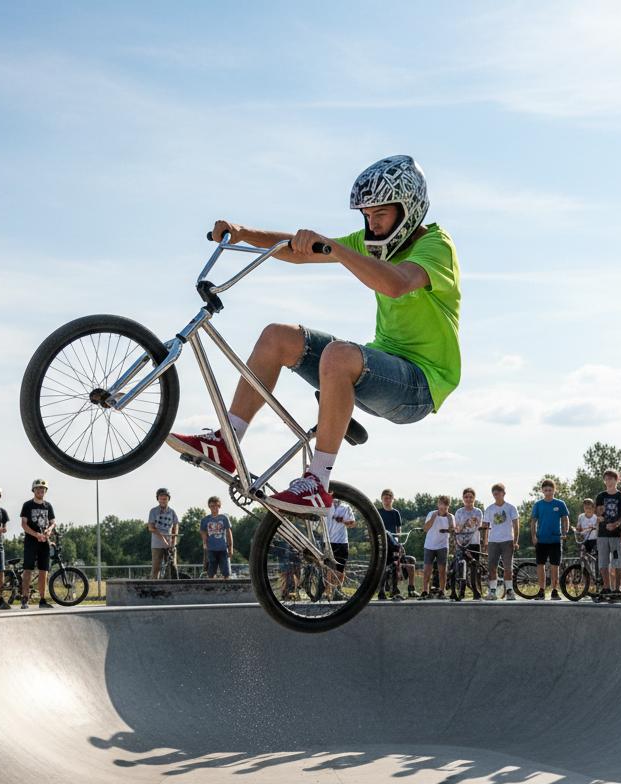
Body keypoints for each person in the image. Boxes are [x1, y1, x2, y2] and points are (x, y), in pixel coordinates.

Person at [167, 154, 460, 516]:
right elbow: (297, 252)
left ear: (408, 209)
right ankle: (227, 442)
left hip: (419, 385)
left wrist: (335, 247)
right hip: (375, 371)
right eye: (367, 216)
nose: (372, 224)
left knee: (339, 354)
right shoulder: (371, 242)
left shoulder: (436, 245)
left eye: (380, 215)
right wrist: (243, 233)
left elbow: (396, 284)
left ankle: (317, 484)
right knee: (277, 336)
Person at [530, 479, 570, 600]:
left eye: (550, 490)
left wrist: (565, 531)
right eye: (546, 490)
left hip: (555, 540)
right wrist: (534, 536)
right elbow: (533, 522)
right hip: (541, 540)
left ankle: (554, 591)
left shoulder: (560, 504)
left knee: (554, 566)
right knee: (540, 565)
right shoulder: (538, 504)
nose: (548, 492)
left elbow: (565, 519)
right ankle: (541, 591)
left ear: (554, 490)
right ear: (542, 491)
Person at [20, 479, 56, 609]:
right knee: (28, 569)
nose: (40, 490)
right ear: (33, 490)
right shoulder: (27, 505)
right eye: (38, 488)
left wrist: (49, 530)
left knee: (43, 571)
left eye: (43, 489)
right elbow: (24, 524)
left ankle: (42, 599)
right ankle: (25, 598)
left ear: (45, 491)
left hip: (44, 542)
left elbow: (53, 522)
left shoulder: (48, 506)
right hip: (31, 541)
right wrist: (36, 534)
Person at [482, 483, 519, 600]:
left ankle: (509, 591)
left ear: (504, 493)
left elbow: (516, 526)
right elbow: (485, 526)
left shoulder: (510, 508)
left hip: (507, 540)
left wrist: (515, 541)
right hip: (493, 541)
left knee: (508, 568)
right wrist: (485, 542)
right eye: (494, 494)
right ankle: (492, 592)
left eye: (498, 493)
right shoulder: (489, 509)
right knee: (492, 567)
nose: (496, 495)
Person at [377, 489, 415, 599]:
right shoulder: (378, 512)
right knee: (383, 566)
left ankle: (394, 589)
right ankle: (381, 590)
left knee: (395, 564)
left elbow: (398, 530)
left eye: (389, 498)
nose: (387, 500)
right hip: (383, 542)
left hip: (394, 541)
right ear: (382, 499)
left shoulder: (395, 513)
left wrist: (399, 543)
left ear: (392, 499)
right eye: (385, 498)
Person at [595, 470, 621, 596]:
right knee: (603, 562)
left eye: (611, 479)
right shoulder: (600, 496)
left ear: (616, 480)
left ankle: (617, 589)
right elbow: (598, 513)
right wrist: (599, 516)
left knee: (617, 562)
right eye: (606, 479)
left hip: (616, 535)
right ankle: (606, 587)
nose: (608, 481)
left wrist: (617, 524)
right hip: (602, 534)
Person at [453, 487, 484, 600]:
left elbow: (478, 525)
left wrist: (470, 523)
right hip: (462, 543)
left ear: (474, 498)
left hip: (474, 542)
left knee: (474, 567)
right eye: (466, 497)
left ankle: (476, 590)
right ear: (463, 498)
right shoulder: (459, 512)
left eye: (471, 497)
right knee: (462, 566)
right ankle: (461, 591)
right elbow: (457, 528)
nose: (468, 499)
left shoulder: (478, 511)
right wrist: (465, 524)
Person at [421, 495, 453, 599]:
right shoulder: (431, 514)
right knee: (427, 570)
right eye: (440, 504)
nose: (442, 507)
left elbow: (452, 531)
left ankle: (442, 591)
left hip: (443, 546)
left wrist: (450, 521)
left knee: (442, 570)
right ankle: (425, 591)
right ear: (438, 504)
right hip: (429, 545)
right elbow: (425, 529)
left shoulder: (450, 516)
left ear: (448, 506)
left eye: (445, 505)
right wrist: (433, 518)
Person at [324, 498, 356, 597]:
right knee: (328, 567)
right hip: (327, 540)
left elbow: (352, 523)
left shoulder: (346, 507)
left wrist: (343, 520)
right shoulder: (325, 505)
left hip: (342, 541)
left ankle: (338, 590)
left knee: (341, 567)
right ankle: (328, 591)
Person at [148, 486, 180, 579]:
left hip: (170, 544)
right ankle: (154, 585)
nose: (163, 500)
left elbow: (176, 525)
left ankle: (171, 584)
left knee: (171, 566)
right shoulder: (153, 511)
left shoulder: (172, 512)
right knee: (156, 567)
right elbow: (151, 528)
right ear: (158, 499)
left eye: (165, 499)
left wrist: (174, 540)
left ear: (168, 499)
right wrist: (163, 539)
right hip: (157, 544)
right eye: (161, 498)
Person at [200, 497, 234, 579]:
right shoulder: (205, 520)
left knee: (226, 572)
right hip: (211, 549)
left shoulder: (224, 518)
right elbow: (203, 532)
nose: (214, 508)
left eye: (216, 506)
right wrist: (205, 543)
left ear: (219, 506)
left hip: (223, 548)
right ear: (209, 507)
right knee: (211, 572)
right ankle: (212, 585)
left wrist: (231, 547)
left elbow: (229, 532)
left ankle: (227, 584)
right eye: (212, 506)